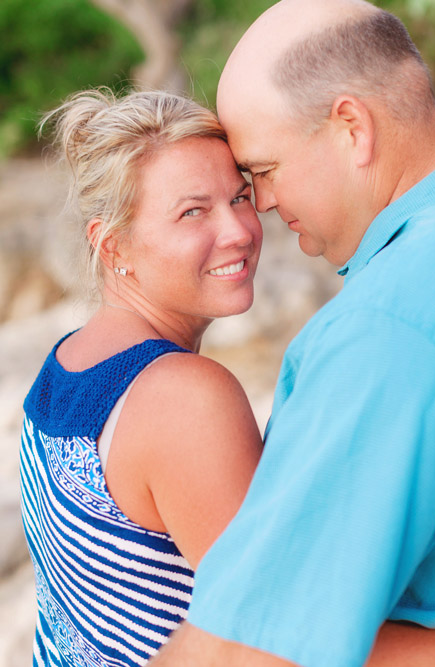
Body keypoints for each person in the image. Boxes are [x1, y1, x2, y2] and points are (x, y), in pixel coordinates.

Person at [152, 1, 435, 665]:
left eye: (261, 171)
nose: (262, 205)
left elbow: (248, 650)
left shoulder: (380, 326)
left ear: (352, 127)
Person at [20, 88, 265, 666]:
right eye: (193, 211)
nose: (238, 231)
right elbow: (266, 639)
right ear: (113, 246)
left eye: (241, 197)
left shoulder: (63, 366)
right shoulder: (184, 396)